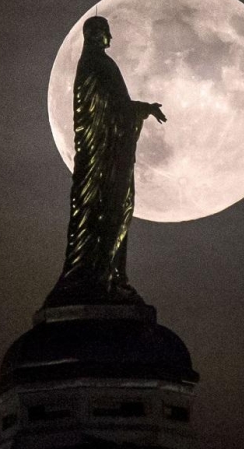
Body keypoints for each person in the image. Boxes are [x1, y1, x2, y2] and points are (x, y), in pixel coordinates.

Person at [44, 16, 166, 307]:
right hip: (101, 158)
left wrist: (138, 109)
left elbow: (115, 106)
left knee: (117, 209)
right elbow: (108, 109)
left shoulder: (97, 64)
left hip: (108, 153)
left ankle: (109, 274)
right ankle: (99, 276)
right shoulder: (97, 65)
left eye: (105, 32)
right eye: (102, 33)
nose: (107, 38)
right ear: (95, 36)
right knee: (106, 209)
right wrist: (141, 109)